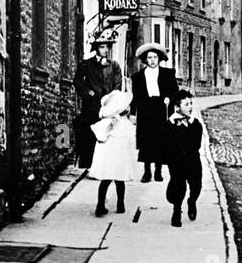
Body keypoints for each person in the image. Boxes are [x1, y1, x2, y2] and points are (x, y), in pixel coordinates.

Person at [131, 43, 178, 182]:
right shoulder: (138, 77)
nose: (152, 60)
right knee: (146, 141)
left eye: (155, 57)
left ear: (159, 59)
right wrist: (133, 114)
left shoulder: (168, 74)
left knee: (160, 140)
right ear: (145, 59)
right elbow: (135, 97)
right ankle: (147, 172)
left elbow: (175, 92)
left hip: (161, 108)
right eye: (149, 57)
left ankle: (158, 171)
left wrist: (170, 98)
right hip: (145, 109)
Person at [75, 34, 121, 168]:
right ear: (96, 48)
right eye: (102, 47)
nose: (105, 50)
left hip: (108, 106)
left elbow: (117, 85)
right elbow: (77, 82)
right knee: (90, 134)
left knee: (107, 135)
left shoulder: (114, 66)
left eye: (107, 47)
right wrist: (87, 92)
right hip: (91, 106)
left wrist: (111, 99)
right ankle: (88, 165)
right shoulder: (87, 64)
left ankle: (104, 166)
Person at [89, 85, 135, 216]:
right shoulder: (112, 121)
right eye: (126, 107)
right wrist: (110, 126)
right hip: (115, 156)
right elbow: (101, 135)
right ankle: (118, 205)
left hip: (113, 157)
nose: (128, 109)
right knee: (119, 181)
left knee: (107, 181)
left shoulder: (119, 121)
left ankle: (104, 205)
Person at [164, 90, 203, 227]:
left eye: (191, 104)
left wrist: (185, 130)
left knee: (196, 186)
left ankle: (192, 201)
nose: (190, 107)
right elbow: (168, 145)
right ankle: (176, 212)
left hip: (193, 161)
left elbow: (196, 145)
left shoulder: (196, 124)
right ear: (177, 107)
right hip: (177, 162)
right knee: (178, 186)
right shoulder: (170, 124)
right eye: (186, 104)